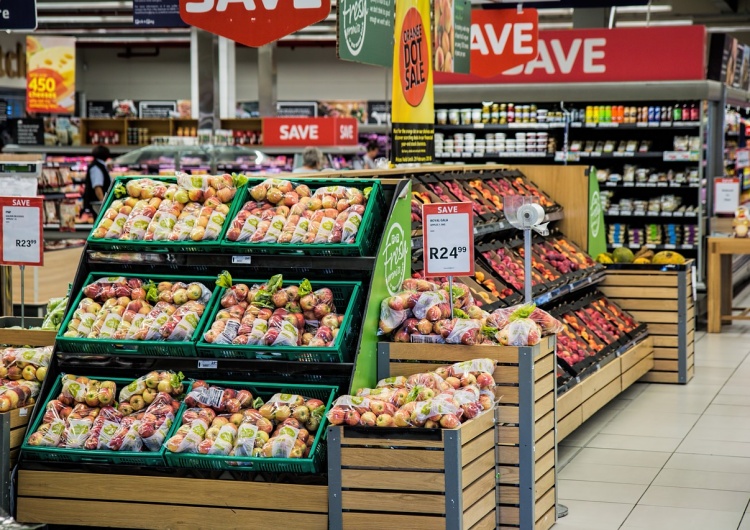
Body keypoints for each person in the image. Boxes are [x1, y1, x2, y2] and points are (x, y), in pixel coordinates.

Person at [82, 145, 112, 220]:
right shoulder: (96, 167)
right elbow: (97, 187)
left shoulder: (100, 166)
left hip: (97, 204)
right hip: (97, 205)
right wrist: (103, 204)